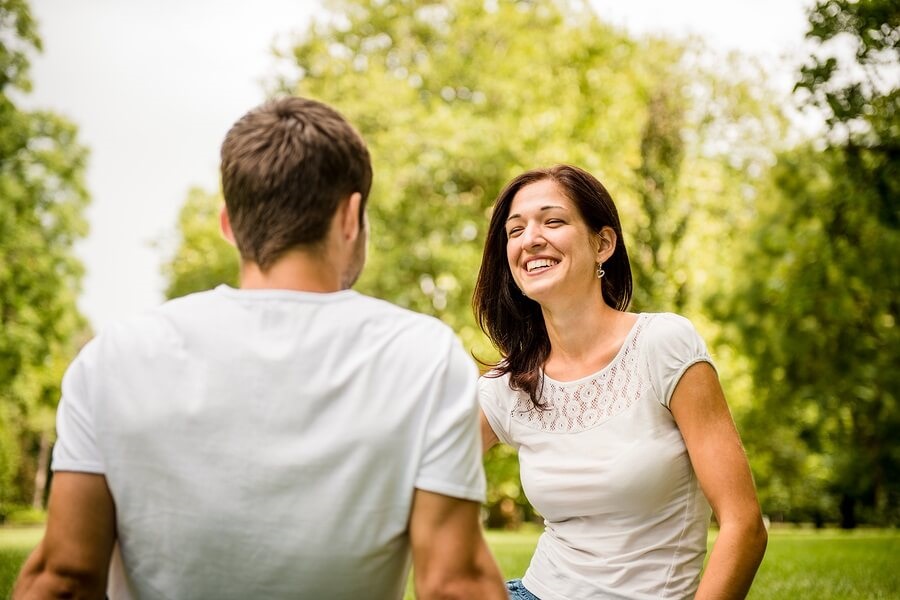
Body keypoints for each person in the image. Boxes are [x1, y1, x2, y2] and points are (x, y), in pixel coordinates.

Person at [13, 96, 507, 600]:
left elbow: (65, 578)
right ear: (351, 215)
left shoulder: (113, 355)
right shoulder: (423, 356)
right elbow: (453, 584)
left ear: (229, 223)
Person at [473, 164, 767, 600]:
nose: (530, 238)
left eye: (553, 221)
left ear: (603, 244)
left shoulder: (663, 344)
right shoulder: (509, 385)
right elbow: (413, 478)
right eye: (515, 231)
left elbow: (744, 525)